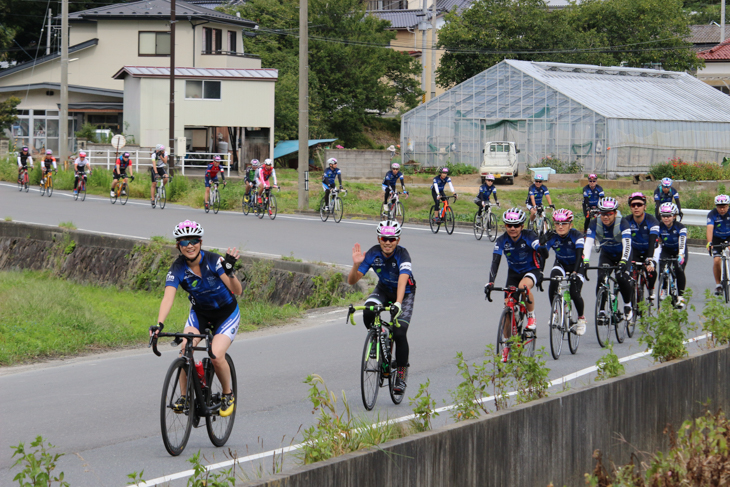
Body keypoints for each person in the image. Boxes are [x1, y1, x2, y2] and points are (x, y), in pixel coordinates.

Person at [151, 220, 242, 417]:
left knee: (216, 356)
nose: (189, 245)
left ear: (200, 242)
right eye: (184, 242)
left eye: (193, 240)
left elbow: (238, 291)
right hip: (200, 313)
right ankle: (184, 397)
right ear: (178, 246)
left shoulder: (214, 261)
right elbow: (168, 297)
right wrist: (159, 324)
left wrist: (229, 272)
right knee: (185, 349)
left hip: (226, 314)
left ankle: (228, 394)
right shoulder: (177, 269)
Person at [348, 220, 415, 394]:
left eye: (392, 239)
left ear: (398, 240)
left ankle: (401, 374)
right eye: (384, 238)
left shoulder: (403, 254)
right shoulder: (373, 253)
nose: (387, 242)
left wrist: (398, 304)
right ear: (379, 238)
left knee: (400, 332)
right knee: (369, 311)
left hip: (405, 293)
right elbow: (352, 281)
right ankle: (379, 336)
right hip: (384, 290)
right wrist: (356, 265)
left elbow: (402, 281)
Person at [486, 208, 544, 360]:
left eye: (516, 225)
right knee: (507, 306)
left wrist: (543, 248)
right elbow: (495, 262)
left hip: (532, 270)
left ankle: (531, 316)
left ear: (522, 226)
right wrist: (490, 282)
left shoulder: (530, 236)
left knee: (522, 287)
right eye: (509, 225)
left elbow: (542, 251)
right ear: (505, 226)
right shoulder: (501, 240)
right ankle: (507, 344)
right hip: (513, 274)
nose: (512, 228)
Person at [582, 197, 634, 321]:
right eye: (603, 213)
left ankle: (627, 305)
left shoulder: (623, 223)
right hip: (607, 255)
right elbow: (588, 243)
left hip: (623, 254)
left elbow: (627, 245)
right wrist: (585, 261)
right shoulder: (595, 223)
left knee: (621, 278)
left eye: (609, 214)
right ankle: (602, 310)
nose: (606, 217)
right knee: (601, 278)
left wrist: (623, 260)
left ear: (615, 213)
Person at [540, 209, 587, 335]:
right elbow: (544, 256)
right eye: (557, 223)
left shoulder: (577, 235)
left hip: (577, 265)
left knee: (574, 291)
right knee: (553, 282)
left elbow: (579, 256)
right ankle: (555, 312)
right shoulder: (552, 236)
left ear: (570, 225)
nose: (560, 226)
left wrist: (575, 272)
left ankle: (581, 319)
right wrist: (542, 244)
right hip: (561, 264)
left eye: (564, 223)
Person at [625, 192, 660, 302]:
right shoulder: (626, 221)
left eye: (639, 205)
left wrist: (650, 259)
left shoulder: (652, 221)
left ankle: (651, 288)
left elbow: (652, 241)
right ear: (630, 207)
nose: (636, 207)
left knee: (651, 270)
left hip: (650, 248)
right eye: (633, 205)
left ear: (644, 207)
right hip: (634, 249)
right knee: (629, 275)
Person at [656, 202, 687, 307]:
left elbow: (682, 242)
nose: (666, 218)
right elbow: (656, 241)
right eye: (663, 216)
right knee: (662, 267)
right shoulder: (659, 226)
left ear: (674, 216)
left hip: (679, 250)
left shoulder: (680, 227)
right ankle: (663, 289)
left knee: (679, 269)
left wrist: (681, 254)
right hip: (667, 250)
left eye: (668, 216)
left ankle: (681, 297)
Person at [707, 194, 730, 296]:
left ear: (728, 205)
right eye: (720, 207)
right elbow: (710, 229)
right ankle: (718, 285)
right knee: (716, 260)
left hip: (729, 236)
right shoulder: (712, 214)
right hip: (717, 238)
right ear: (716, 206)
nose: (722, 209)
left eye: (724, 206)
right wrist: (709, 243)